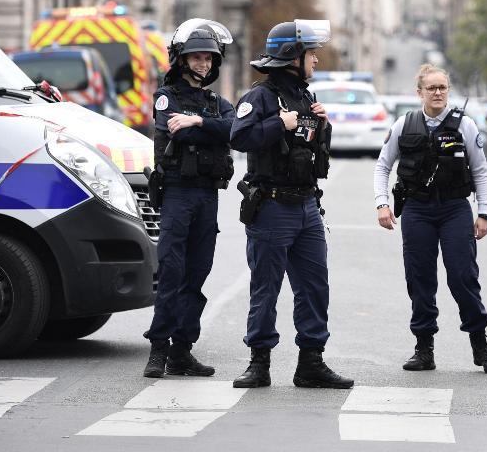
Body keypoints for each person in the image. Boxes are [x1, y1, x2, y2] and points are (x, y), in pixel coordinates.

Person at [230, 19, 353, 390]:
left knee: (315, 286)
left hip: (307, 207)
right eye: (310, 54)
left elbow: (312, 152)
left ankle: (311, 362)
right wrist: (277, 125)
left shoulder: (306, 98)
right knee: (266, 287)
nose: (315, 60)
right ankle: (259, 363)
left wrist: (322, 126)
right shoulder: (260, 98)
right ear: (291, 56)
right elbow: (239, 137)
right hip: (271, 207)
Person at [374, 64, 487, 374]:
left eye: (443, 87)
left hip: (454, 208)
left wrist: (483, 212)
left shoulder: (465, 126)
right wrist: (382, 203)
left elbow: (481, 171)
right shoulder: (405, 124)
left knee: (462, 275)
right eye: (431, 88)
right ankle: (424, 348)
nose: (438, 92)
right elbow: (383, 166)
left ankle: (479, 344)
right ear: (419, 92)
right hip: (417, 209)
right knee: (420, 278)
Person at [143, 19, 236, 379]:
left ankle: (182, 351)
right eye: (196, 57)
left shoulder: (218, 102)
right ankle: (158, 350)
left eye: (208, 58)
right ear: (182, 60)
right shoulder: (167, 97)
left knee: (196, 275)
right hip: (178, 194)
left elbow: (236, 130)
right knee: (171, 273)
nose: (203, 64)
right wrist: (205, 128)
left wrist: (197, 123)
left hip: (206, 196)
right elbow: (171, 131)